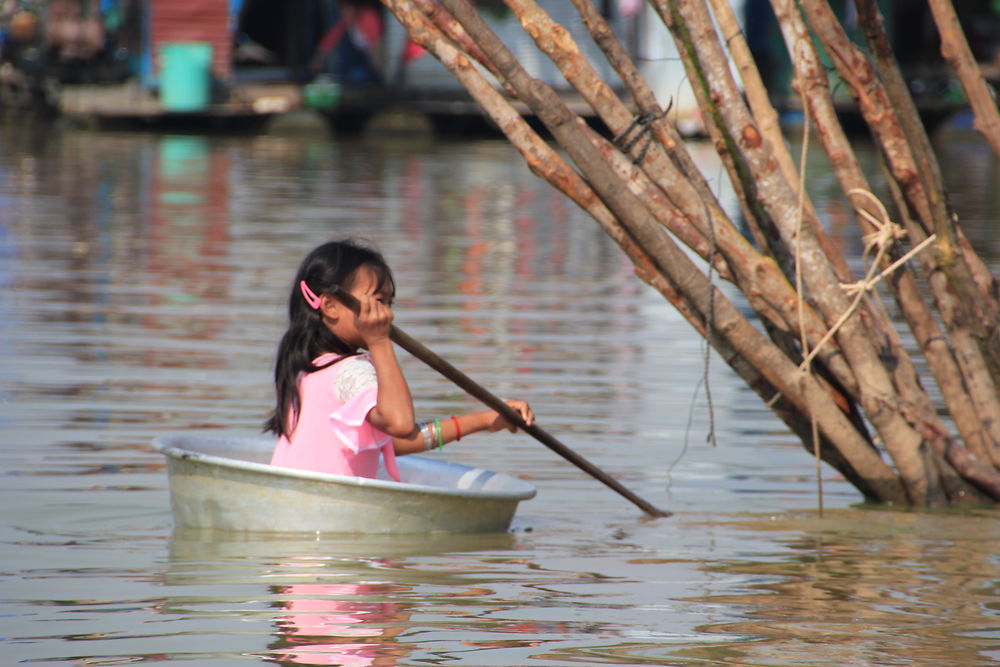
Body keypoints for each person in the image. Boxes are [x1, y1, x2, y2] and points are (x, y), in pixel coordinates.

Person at [265, 239, 534, 482]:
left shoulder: (305, 368)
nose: (388, 316)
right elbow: (401, 424)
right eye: (378, 301)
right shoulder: (349, 371)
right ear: (330, 306)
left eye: (389, 304)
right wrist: (380, 342)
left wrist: (485, 420)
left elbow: (394, 441)